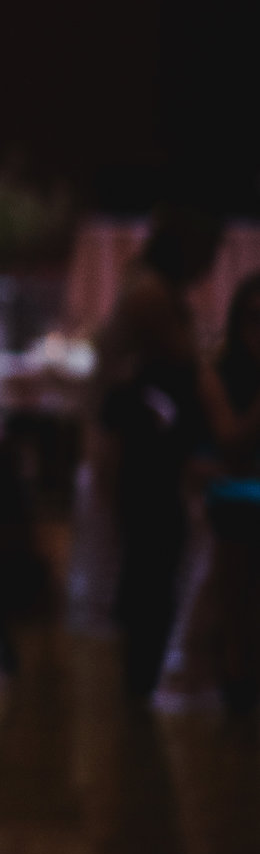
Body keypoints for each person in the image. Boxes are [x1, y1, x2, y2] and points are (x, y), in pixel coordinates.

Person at [93, 204, 222, 702]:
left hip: (143, 437)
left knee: (150, 554)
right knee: (153, 553)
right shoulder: (151, 294)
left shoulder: (150, 286)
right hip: (141, 443)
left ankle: (142, 673)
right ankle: (143, 678)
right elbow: (186, 365)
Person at [200, 272, 260, 715]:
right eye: (255, 319)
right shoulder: (217, 374)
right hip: (236, 492)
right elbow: (231, 443)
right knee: (240, 510)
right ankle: (238, 667)